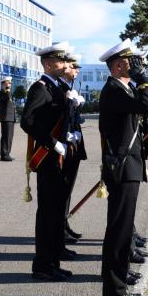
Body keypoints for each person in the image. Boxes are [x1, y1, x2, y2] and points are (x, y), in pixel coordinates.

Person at [98, 39, 148, 296]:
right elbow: (140, 103)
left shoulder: (121, 89)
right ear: (119, 65)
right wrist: (144, 79)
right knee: (118, 231)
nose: (138, 67)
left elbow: (141, 107)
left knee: (123, 229)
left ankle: (121, 275)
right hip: (122, 167)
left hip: (128, 165)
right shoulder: (112, 91)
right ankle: (114, 292)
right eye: (133, 63)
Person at [20, 42, 74, 282]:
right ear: (49, 64)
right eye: (61, 61)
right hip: (48, 158)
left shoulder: (57, 87)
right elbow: (28, 122)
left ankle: (52, 261)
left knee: (55, 213)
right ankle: (42, 265)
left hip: (59, 159)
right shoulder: (40, 88)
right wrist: (52, 143)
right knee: (47, 215)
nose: (65, 65)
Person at [59, 53, 87, 242]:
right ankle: (60, 228)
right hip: (62, 147)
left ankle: (64, 225)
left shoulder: (70, 87)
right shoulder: (58, 88)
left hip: (73, 146)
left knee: (67, 190)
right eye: (73, 67)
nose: (76, 71)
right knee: (61, 192)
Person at [0, 78, 16, 161]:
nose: (10, 85)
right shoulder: (2, 93)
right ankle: (4, 154)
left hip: (10, 118)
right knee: (6, 137)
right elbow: (7, 99)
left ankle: (7, 153)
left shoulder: (8, 93)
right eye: (8, 83)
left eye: (10, 83)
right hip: (6, 118)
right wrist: (7, 90)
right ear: (4, 83)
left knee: (9, 137)